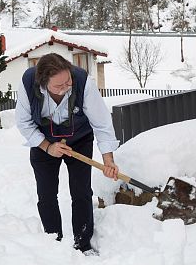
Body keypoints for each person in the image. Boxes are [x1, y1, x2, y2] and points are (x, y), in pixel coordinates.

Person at [15, 53, 119, 254]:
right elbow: (24, 122)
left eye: (68, 82)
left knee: (81, 193)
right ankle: (53, 241)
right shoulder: (29, 82)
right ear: (44, 83)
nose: (66, 88)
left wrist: (108, 160)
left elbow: (102, 123)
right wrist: (47, 146)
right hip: (44, 143)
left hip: (79, 140)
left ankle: (83, 243)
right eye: (58, 86)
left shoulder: (82, 81)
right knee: (46, 195)